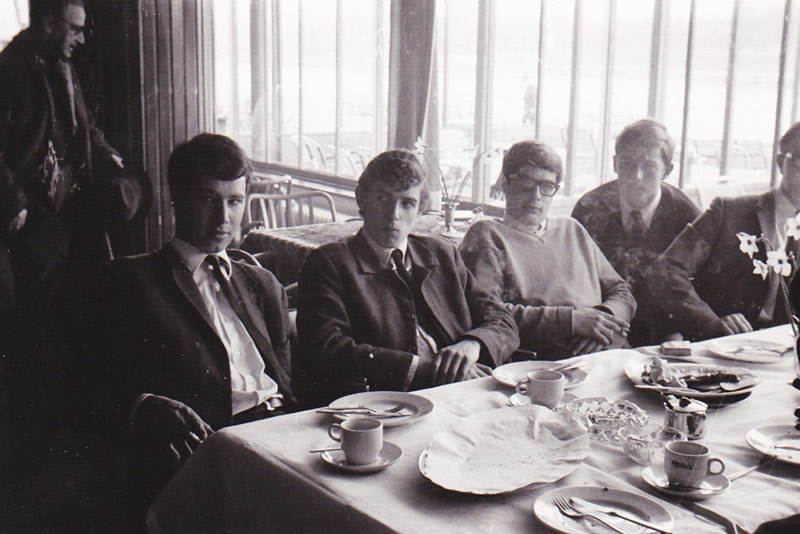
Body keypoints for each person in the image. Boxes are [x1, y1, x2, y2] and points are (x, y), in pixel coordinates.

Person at [74, 133, 295, 520]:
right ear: (177, 198)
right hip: (208, 455)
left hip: (283, 439)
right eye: (208, 198)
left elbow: (288, 383)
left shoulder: (262, 284)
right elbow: (87, 391)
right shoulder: (127, 282)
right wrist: (145, 406)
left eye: (234, 201)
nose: (223, 218)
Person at [0, 0, 150, 419]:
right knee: (28, 323)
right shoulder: (9, 71)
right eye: (75, 29)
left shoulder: (62, 68)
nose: (82, 39)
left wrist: (110, 159)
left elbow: (84, 131)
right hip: (27, 223)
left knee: (78, 311)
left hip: (66, 214)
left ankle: (65, 408)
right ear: (49, 24)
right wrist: (12, 202)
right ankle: (28, 418)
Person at [296, 149, 519, 403]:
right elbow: (326, 348)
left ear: (420, 209)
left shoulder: (442, 255)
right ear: (362, 199)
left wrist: (472, 345)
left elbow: (502, 320)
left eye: (407, 203)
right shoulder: (329, 263)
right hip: (382, 404)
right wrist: (425, 369)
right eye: (383, 199)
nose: (394, 214)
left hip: (462, 393)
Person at [459, 140, 636, 360]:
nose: (536, 195)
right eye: (526, 183)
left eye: (547, 186)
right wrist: (573, 321)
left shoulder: (572, 229)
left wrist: (601, 321)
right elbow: (488, 313)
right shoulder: (486, 235)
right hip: (548, 364)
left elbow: (621, 291)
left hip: (610, 350)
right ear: (505, 183)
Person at [645, 122, 800, 341]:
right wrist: (708, 321)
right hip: (722, 344)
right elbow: (664, 271)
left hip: (785, 349)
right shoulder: (728, 211)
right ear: (781, 162)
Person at [571, 119, 700, 345]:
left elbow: (696, 289)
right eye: (627, 164)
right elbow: (574, 279)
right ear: (615, 164)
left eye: (649, 167)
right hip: (604, 327)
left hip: (667, 333)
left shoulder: (687, 216)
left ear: (667, 170)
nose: (636, 176)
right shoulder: (588, 208)